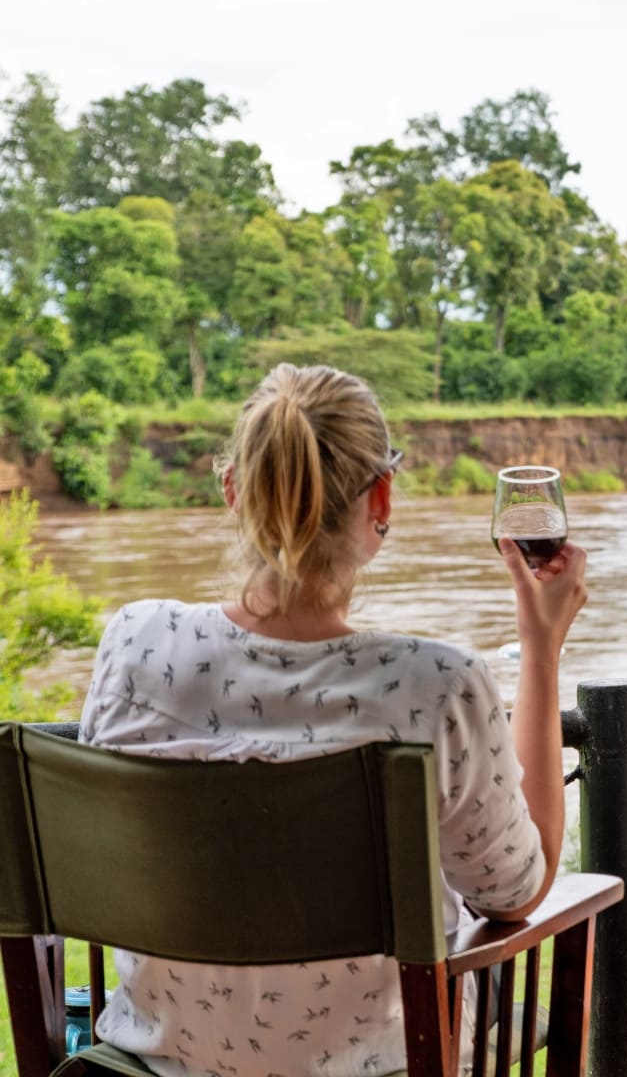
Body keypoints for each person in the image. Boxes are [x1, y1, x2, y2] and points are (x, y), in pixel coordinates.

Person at [78, 363, 588, 1077]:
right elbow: (514, 893)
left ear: (233, 491)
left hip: (154, 1066)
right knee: (516, 1006)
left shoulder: (135, 644)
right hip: (384, 1066)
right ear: (382, 496)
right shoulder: (435, 686)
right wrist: (541, 648)